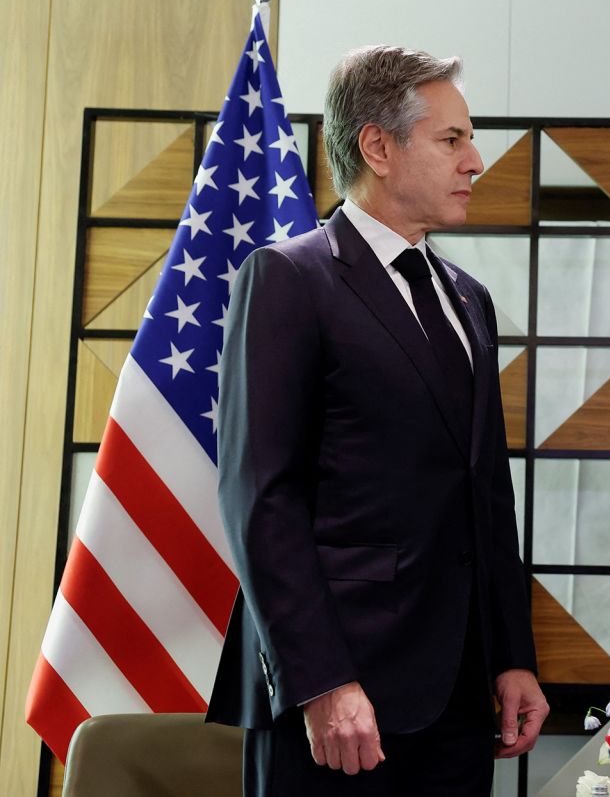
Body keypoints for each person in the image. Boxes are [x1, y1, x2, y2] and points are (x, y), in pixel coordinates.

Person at [206, 45, 548, 797]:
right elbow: (262, 499)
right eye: (452, 139)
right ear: (378, 146)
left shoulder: (470, 300)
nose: (477, 160)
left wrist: (511, 656)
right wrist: (322, 680)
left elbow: (487, 494)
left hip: (461, 702)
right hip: (337, 704)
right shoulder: (289, 279)